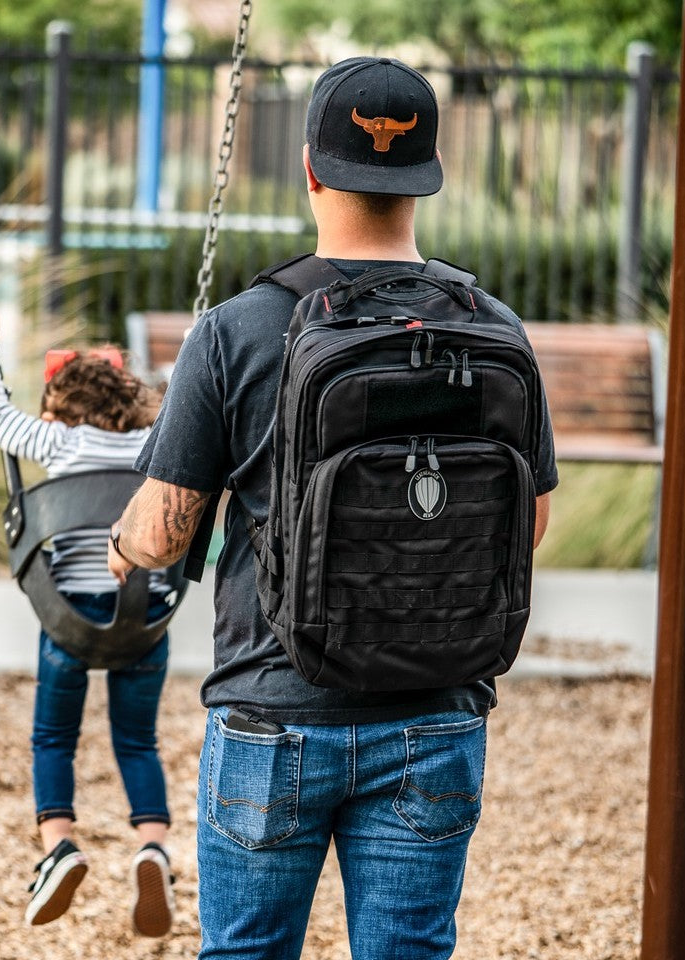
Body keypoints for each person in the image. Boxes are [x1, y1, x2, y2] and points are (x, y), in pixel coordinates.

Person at [107, 56, 558, 959]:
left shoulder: (237, 328)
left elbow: (162, 536)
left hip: (277, 714)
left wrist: (122, 547)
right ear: (428, 176)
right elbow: (530, 523)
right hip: (437, 712)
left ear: (311, 167)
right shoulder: (493, 328)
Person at [0, 312, 175, 936]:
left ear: (61, 412)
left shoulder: (60, 443)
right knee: (138, 741)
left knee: (53, 739)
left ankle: (59, 845)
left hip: (69, 622)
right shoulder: (154, 443)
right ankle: (153, 846)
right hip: (146, 623)